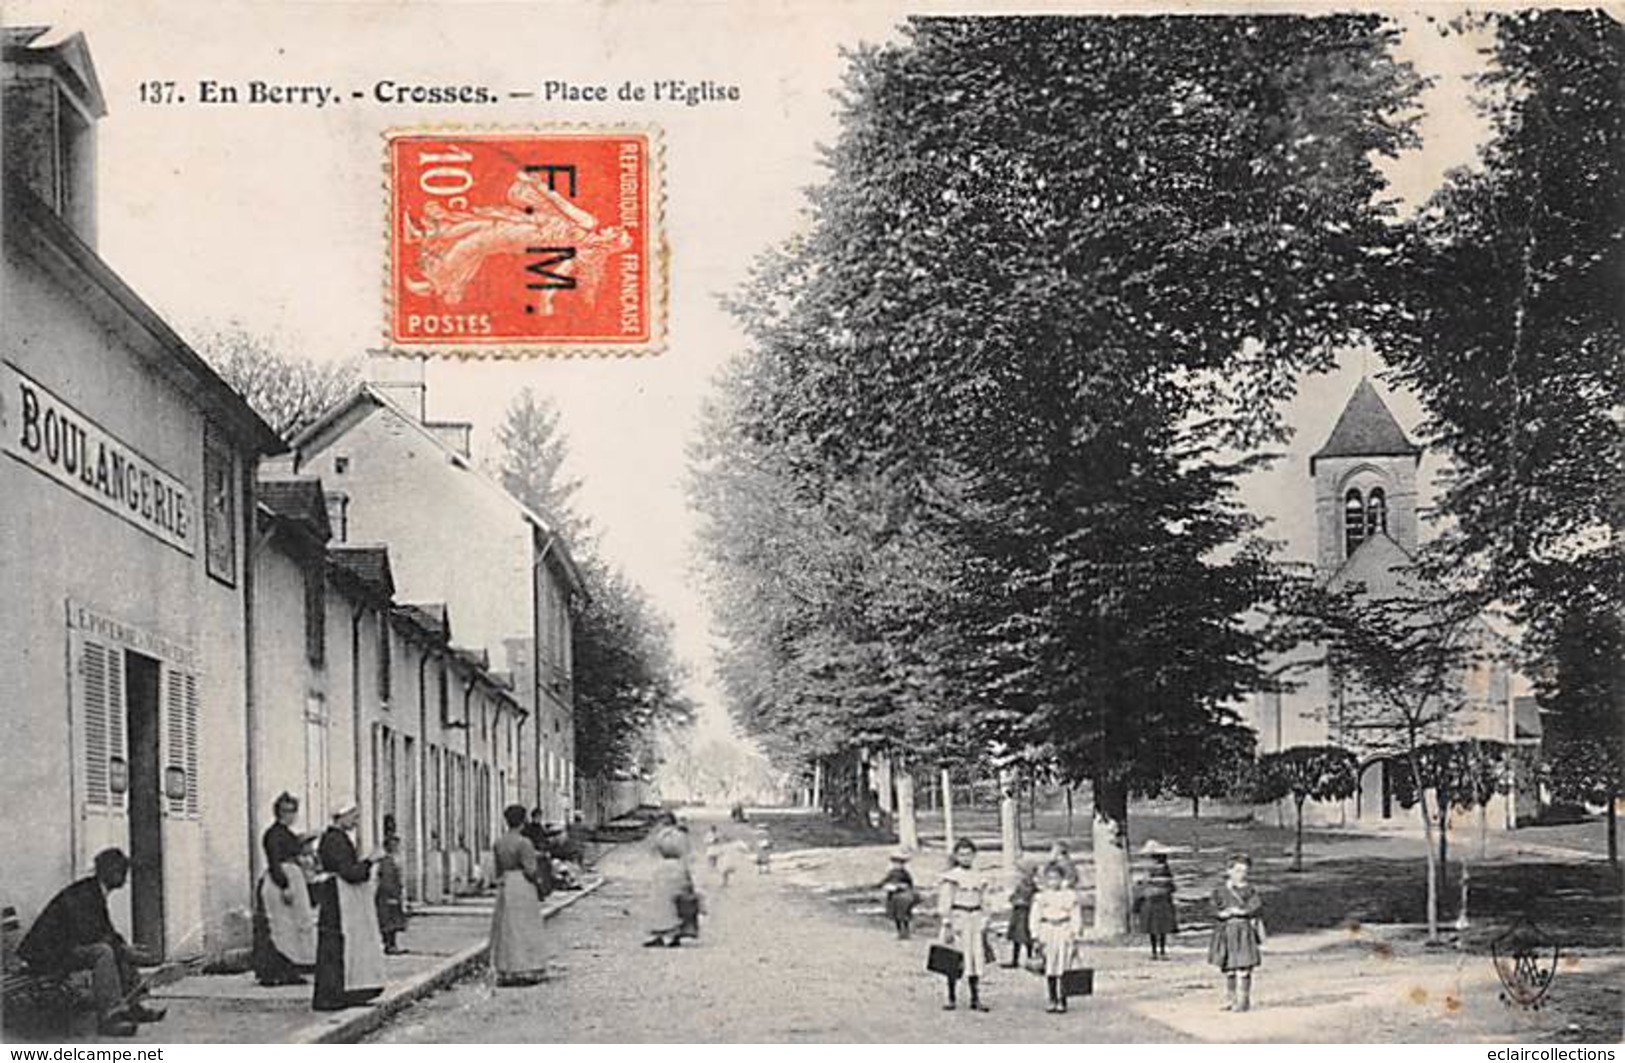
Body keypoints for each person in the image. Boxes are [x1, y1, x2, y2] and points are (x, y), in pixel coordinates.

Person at [18, 849, 166, 1037]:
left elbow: (106, 931)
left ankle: (133, 1006)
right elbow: (89, 934)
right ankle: (109, 1019)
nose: (125, 877)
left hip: (63, 950)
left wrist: (126, 948)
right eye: (122, 871)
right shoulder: (85, 894)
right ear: (109, 871)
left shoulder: (94, 890)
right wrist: (124, 950)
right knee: (104, 952)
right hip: (46, 956)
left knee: (116, 948)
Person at [311, 804, 387, 1011]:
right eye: (353, 816)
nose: (356, 821)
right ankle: (333, 996)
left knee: (337, 945)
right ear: (341, 816)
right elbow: (349, 873)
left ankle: (338, 993)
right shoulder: (335, 840)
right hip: (338, 899)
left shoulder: (334, 838)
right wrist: (370, 861)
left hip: (337, 897)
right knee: (337, 946)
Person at [253, 792, 317, 985]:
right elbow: (274, 861)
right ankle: (272, 972)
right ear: (280, 812)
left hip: (291, 879)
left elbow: (295, 848)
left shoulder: (285, 833)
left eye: (293, 811)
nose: (291, 815)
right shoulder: (273, 834)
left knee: (291, 927)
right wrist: (284, 885)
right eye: (288, 811)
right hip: (279, 881)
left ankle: (288, 970)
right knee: (278, 927)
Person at [489, 805, 550, 984]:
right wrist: (539, 884)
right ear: (523, 821)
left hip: (507, 884)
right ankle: (526, 968)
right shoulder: (524, 843)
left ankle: (507, 969)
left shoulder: (499, 843)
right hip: (523, 884)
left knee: (507, 928)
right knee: (525, 927)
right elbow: (530, 869)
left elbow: (497, 870)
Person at [936, 837, 990, 1012]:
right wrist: (947, 922)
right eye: (962, 855)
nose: (965, 858)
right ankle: (951, 997)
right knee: (954, 958)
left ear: (974, 855)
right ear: (956, 856)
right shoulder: (951, 877)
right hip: (958, 918)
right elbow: (945, 901)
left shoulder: (979, 877)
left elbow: (985, 901)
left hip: (974, 917)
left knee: (975, 958)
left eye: (969, 854)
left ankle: (975, 997)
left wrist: (985, 920)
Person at [1208, 853, 1264, 1012]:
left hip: (1243, 930)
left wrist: (1242, 911)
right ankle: (1230, 999)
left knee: (1244, 966)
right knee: (1229, 968)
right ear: (1229, 871)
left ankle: (1243, 1001)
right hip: (1226, 931)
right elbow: (1212, 906)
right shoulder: (1220, 890)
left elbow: (1256, 906)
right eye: (1238, 871)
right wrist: (1220, 913)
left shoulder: (1249, 890)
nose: (1242, 875)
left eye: (1245, 871)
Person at [1032, 863, 1084, 1013]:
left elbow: (1075, 915)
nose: (1053, 881)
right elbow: (1035, 916)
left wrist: (1075, 933)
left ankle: (1063, 999)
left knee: (1063, 965)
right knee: (1050, 965)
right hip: (1048, 930)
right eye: (1050, 878)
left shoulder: (1069, 895)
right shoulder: (1041, 897)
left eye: (1056, 878)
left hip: (1064, 929)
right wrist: (1035, 935)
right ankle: (1052, 998)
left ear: (1062, 879)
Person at [644, 823, 695, 948]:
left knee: (663, 911)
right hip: (674, 892)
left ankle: (664, 935)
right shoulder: (680, 865)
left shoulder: (660, 866)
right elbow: (686, 880)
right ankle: (671, 935)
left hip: (662, 893)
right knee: (674, 911)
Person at [1138, 841, 1178, 960]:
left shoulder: (1149, 869)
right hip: (1163, 901)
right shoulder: (1165, 868)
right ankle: (1161, 951)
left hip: (1152, 901)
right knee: (1162, 930)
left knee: (1153, 929)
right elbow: (1171, 886)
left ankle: (1155, 952)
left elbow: (1145, 884)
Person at [375, 835, 407, 955]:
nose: (398, 848)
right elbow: (387, 881)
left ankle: (391, 945)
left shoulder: (392, 860)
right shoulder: (387, 862)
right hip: (387, 896)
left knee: (392, 921)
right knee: (389, 922)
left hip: (390, 894)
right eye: (395, 845)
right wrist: (392, 896)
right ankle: (390, 946)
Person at [877, 850, 917, 939]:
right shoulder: (891, 873)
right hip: (893, 896)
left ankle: (906, 931)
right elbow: (884, 881)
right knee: (896, 916)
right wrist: (883, 885)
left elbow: (910, 884)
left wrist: (904, 887)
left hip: (903, 896)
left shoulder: (906, 874)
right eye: (896, 863)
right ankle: (899, 931)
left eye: (900, 863)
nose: (898, 865)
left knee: (904, 914)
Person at [1003, 863, 1036, 968]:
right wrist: (1013, 899)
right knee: (1016, 939)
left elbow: (1034, 900)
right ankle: (1015, 960)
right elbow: (1013, 896)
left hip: (1026, 914)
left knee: (1027, 937)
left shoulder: (1032, 886)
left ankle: (1030, 959)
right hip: (1018, 913)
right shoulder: (1020, 885)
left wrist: (1023, 901)